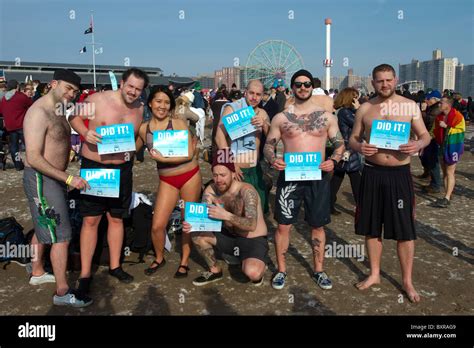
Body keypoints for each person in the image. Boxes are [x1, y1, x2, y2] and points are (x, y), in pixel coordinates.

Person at [349, 64, 431, 303]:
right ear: (372, 82)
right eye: (379, 81)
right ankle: (374, 273)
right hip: (372, 173)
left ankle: (407, 280)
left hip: (399, 174)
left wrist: (417, 145)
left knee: (405, 230)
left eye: (388, 80)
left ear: (395, 80)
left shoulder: (409, 106)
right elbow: (353, 138)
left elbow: (425, 135)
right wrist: (359, 147)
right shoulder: (364, 108)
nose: (384, 84)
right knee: (372, 227)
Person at [69, 68, 149, 295]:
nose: (133, 92)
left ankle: (115, 266)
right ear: (122, 83)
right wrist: (85, 133)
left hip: (122, 169)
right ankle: (85, 274)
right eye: (130, 86)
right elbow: (72, 116)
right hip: (95, 167)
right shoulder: (96, 100)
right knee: (91, 221)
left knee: (117, 219)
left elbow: (136, 138)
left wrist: (136, 151)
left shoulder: (140, 109)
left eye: (138, 89)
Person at [264, 69, 345, 290]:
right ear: (292, 87)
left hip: (317, 176)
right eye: (298, 84)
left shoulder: (326, 117)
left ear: (312, 86)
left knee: (317, 226)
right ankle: (281, 270)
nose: (302, 88)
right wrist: (273, 159)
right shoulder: (281, 118)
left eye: (307, 84)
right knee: (283, 225)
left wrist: (334, 160)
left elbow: (339, 144)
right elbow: (269, 144)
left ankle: (319, 270)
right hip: (290, 177)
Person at [23, 69, 92, 307]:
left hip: (53, 178)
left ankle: (38, 271)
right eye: (68, 88)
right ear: (53, 84)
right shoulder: (38, 112)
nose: (71, 94)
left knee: (43, 225)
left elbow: (56, 140)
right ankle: (62, 292)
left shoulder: (59, 108)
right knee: (61, 236)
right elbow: (33, 157)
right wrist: (68, 179)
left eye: (75, 91)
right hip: (44, 178)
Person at [135, 86, 201, 277]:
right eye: (158, 101)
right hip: (167, 180)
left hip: (189, 176)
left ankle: (184, 261)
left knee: (187, 220)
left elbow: (189, 153)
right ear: (150, 103)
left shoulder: (178, 123)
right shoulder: (144, 129)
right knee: (157, 225)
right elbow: (130, 151)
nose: (162, 106)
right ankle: (159, 257)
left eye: (166, 102)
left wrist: (161, 159)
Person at [183, 153, 269, 286]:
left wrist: (226, 215)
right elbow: (203, 221)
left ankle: (250, 259)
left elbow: (251, 225)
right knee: (196, 234)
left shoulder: (246, 191)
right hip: (229, 237)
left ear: (233, 173)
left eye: (223, 175)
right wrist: (193, 224)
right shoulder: (211, 190)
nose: (219, 180)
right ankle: (215, 271)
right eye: (215, 175)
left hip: (252, 239)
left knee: (253, 274)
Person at [215, 79, 271, 214]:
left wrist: (264, 124)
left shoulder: (262, 113)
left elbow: (271, 138)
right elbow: (219, 136)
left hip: (254, 169)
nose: (254, 97)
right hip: (236, 170)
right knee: (237, 211)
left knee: (256, 210)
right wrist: (231, 164)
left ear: (262, 95)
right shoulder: (232, 108)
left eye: (258, 94)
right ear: (245, 93)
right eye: (251, 93)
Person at [330, 87, 362, 215]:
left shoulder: (345, 111)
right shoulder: (345, 112)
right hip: (348, 149)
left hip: (347, 148)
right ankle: (362, 208)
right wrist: (359, 109)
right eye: (355, 97)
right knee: (356, 181)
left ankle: (328, 203)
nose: (357, 99)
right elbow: (358, 124)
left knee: (337, 179)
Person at [432, 95, 465, 208]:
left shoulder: (458, 116)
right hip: (442, 145)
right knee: (445, 172)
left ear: (448, 105)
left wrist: (447, 127)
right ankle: (448, 194)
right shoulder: (439, 117)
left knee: (450, 171)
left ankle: (446, 197)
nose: (439, 104)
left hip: (453, 146)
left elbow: (461, 130)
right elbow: (435, 130)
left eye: (441, 102)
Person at [0, 79, 33, 170]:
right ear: (17, 87)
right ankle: (32, 163)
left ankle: (18, 165)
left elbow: (1, 111)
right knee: (29, 145)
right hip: (21, 125)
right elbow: (31, 105)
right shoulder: (20, 96)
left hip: (10, 126)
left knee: (14, 147)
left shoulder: (4, 99)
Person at [420, 90, 442, 194]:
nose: (426, 100)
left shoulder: (437, 109)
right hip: (428, 136)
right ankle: (429, 175)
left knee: (433, 160)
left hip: (433, 137)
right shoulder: (432, 108)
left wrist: (423, 113)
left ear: (435, 100)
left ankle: (436, 185)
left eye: (428, 99)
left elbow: (430, 121)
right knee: (425, 157)